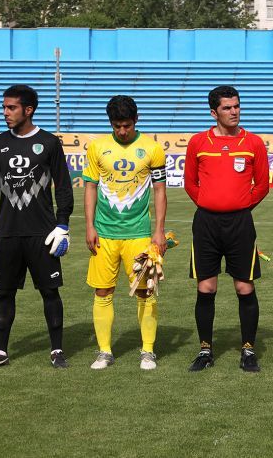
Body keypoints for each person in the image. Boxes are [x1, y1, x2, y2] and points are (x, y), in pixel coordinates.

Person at [0, 84, 73, 369]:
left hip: (43, 234)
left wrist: (62, 224)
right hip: (8, 233)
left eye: (11, 107)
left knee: (50, 292)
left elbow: (63, 187)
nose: (5, 112)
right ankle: (0, 353)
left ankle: (57, 352)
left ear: (28, 110)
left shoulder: (50, 142)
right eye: (4, 107)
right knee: (4, 293)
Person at [184, 86, 269, 373]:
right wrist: (209, 203)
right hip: (206, 224)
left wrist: (240, 206)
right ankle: (205, 350)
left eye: (236, 106)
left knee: (244, 287)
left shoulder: (253, 142)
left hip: (240, 224)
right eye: (227, 108)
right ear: (214, 112)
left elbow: (262, 185)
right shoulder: (198, 142)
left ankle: (248, 350)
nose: (234, 111)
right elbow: (190, 183)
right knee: (206, 287)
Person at [83, 95, 167, 370]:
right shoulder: (97, 147)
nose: (122, 131)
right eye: (117, 126)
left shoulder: (152, 148)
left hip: (139, 234)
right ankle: (104, 351)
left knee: (145, 291)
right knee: (103, 291)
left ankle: (148, 351)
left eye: (127, 125)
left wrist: (158, 231)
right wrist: (90, 226)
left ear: (136, 120)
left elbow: (159, 190)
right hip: (104, 233)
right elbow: (90, 187)